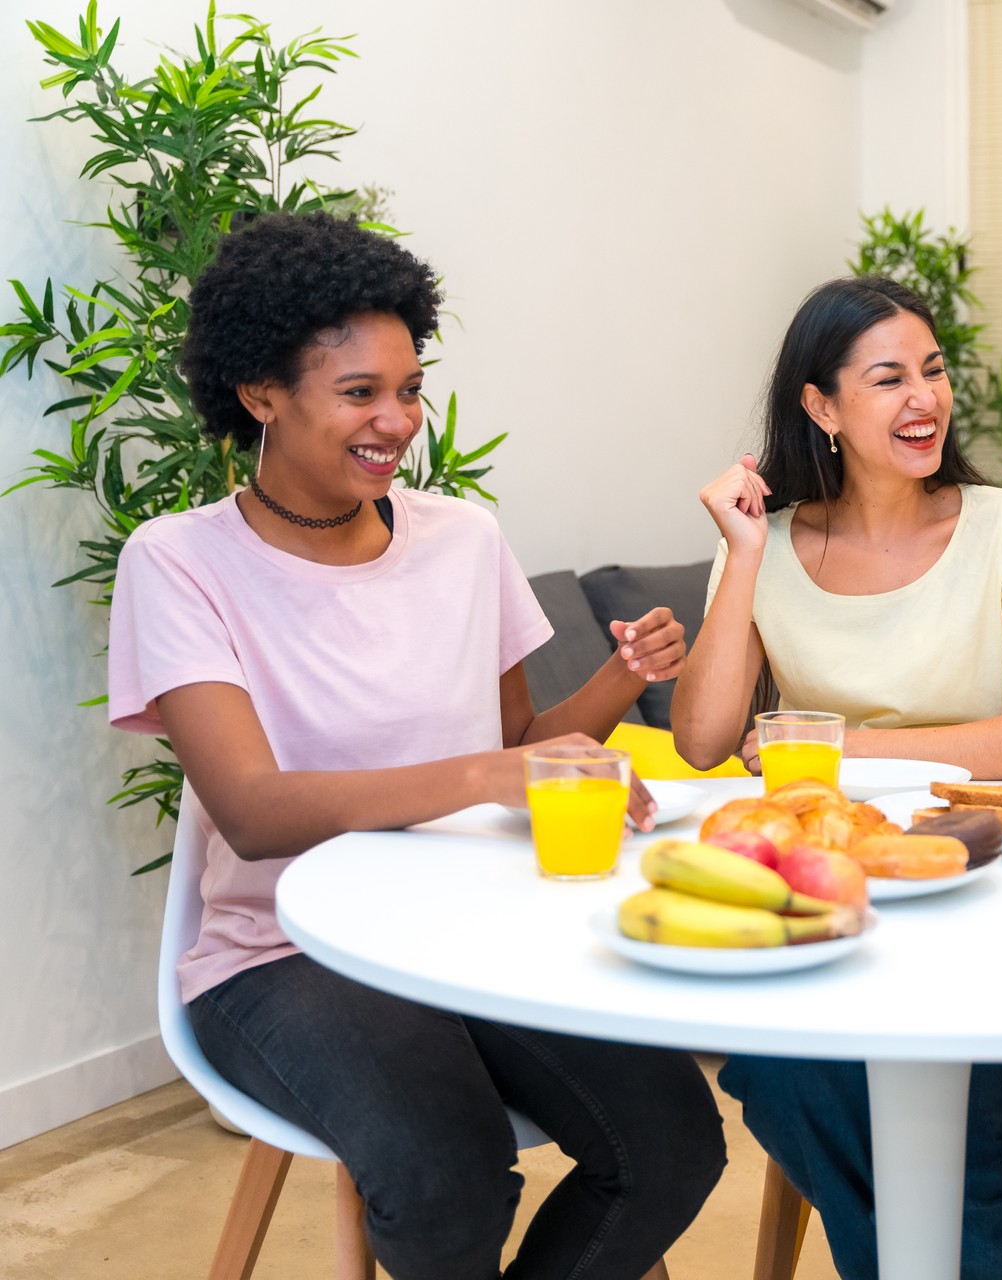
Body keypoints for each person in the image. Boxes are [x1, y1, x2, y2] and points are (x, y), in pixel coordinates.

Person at [108, 212, 725, 1280]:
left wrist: (622, 681)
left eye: (410, 386)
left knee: (673, 1138)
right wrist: (494, 772)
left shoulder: (462, 537)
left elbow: (520, 743)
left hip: (471, 931)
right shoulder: (179, 562)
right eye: (360, 393)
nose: (397, 420)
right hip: (287, 952)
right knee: (446, 1169)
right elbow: (251, 808)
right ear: (261, 392)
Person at [670, 275, 1002, 1280]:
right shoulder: (765, 543)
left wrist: (850, 751)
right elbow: (702, 736)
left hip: (985, 884)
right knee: (785, 1074)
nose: (924, 399)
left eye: (934, 371)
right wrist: (744, 554)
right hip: (829, 888)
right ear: (821, 406)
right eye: (889, 378)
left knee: (952, 1105)